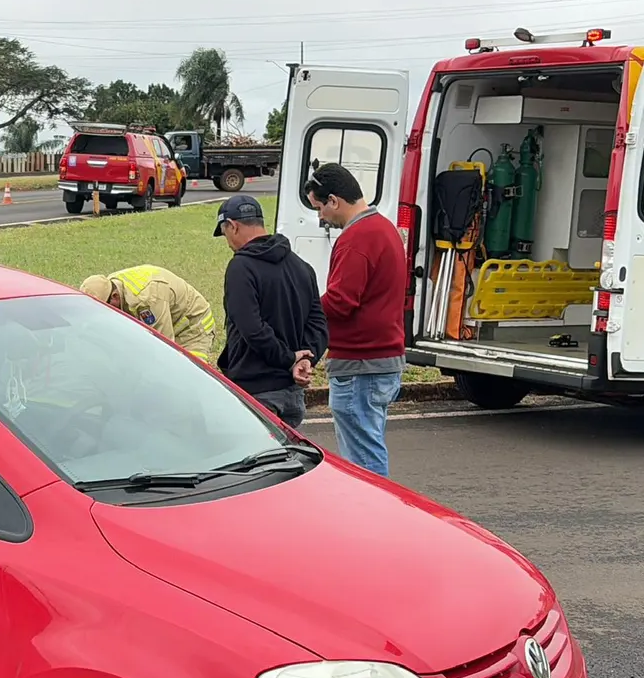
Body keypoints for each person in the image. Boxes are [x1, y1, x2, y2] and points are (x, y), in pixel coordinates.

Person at [307, 162, 407, 475]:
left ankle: (375, 520)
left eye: (320, 207)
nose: (321, 216)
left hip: (360, 363)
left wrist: (305, 309)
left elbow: (340, 301)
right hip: (383, 358)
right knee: (369, 443)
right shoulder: (383, 228)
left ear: (334, 200)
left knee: (363, 461)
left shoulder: (355, 239)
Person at [213, 194, 327, 428]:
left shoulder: (241, 267)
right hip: (292, 393)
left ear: (233, 226)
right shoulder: (301, 266)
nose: (228, 242)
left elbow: (251, 328)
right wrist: (305, 358)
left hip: (256, 391)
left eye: (225, 233)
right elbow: (318, 324)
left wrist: (288, 359)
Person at [78, 264, 218, 363]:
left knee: (186, 375)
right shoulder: (108, 287)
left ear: (114, 296)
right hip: (166, 320)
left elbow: (163, 348)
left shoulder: (147, 299)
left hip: (192, 326)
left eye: (104, 309)